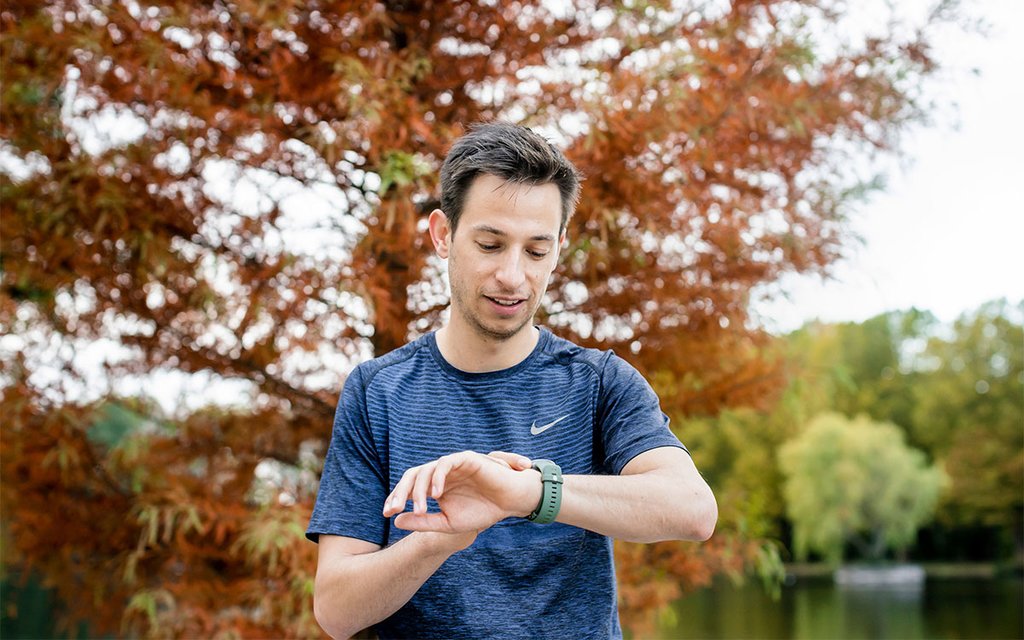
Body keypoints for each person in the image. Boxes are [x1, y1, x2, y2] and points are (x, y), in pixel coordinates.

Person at [306, 121, 717, 640]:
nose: (513, 275)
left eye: (536, 251)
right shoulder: (377, 392)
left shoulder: (599, 382)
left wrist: (526, 493)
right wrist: (440, 538)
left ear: (559, 248)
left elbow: (692, 508)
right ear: (442, 235)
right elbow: (336, 611)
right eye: (490, 244)